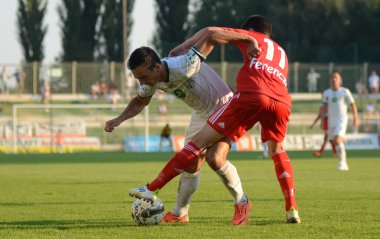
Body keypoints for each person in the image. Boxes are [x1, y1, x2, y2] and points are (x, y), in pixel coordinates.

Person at [129, 15, 301, 224]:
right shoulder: (281, 52)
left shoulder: (250, 36)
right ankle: (291, 208)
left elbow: (211, 31)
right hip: (280, 100)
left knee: (204, 152)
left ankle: (152, 188)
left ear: (250, 30)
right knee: (275, 151)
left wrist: (182, 46)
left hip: (242, 98)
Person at [104, 47, 249, 225]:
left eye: (142, 77)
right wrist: (119, 119)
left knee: (215, 158)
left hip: (226, 106)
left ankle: (242, 202)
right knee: (190, 163)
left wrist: (187, 44)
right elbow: (140, 101)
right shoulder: (153, 80)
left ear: (156, 68)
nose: (141, 82)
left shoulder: (183, 65)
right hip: (201, 113)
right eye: (137, 78)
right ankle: (180, 214)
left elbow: (210, 35)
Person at [321, 71, 359, 171]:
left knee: (338, 140)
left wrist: (355, 118)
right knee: (335, 142)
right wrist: (322, 120)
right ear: (330, 80)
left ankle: (343, 163)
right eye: (332, 78)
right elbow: (324, 107)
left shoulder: (345, 91)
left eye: (336, 78)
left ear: (340, 80)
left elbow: (353, 104)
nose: (334, 79)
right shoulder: (326, 93)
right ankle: (341, 161)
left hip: (342, 120)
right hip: (331, 121)